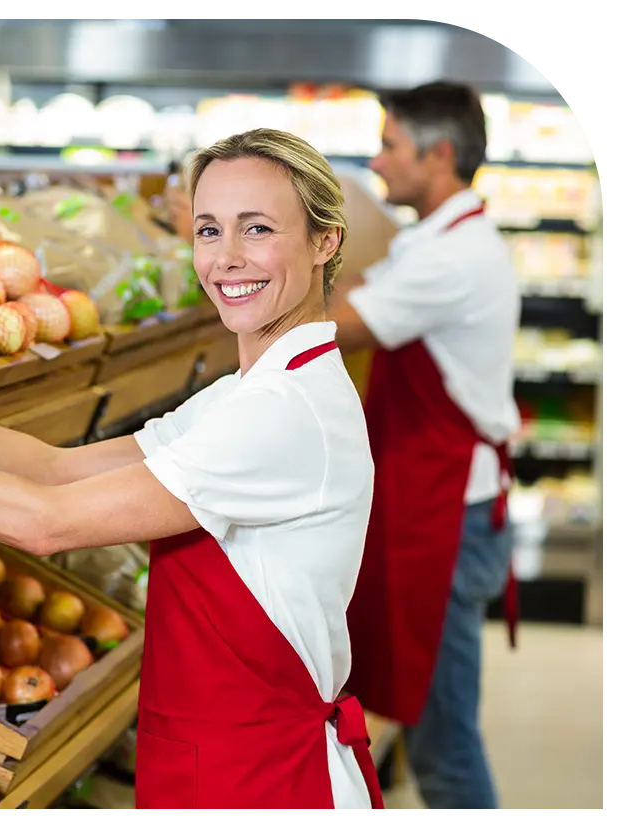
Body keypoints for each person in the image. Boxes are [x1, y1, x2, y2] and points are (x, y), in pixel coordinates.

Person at [0, 128, 384, 814]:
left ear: (325, 241)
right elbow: (56, 470)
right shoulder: (259, 388)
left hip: (263, 781)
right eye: (208, 230)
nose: (226, 259)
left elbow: (44, 522)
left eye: (257, 229)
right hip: (221, 755)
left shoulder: (282, 411)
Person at [326, 82, 521, 815]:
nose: (377, 162)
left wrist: (232, 263)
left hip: (446, 520)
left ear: (439, 155)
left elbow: (337, 324)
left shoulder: (454, 258)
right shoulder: (436, 238)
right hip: (427, 506)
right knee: (425, 720)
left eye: (390, 145)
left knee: (445, 742)